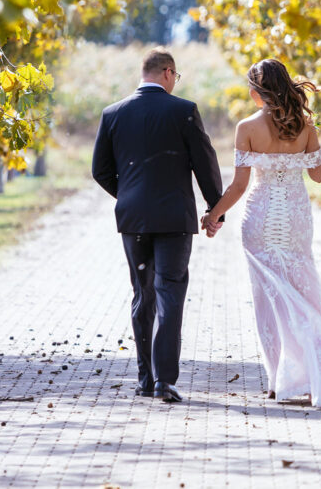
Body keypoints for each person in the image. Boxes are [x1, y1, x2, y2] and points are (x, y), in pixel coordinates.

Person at [201, 59, 321, 407]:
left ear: (256, 92)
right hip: (296, 220)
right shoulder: (306, 125)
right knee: (304, 295)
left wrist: (213, 215)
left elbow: (239, 186)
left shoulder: (246, 127)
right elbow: (318, 176)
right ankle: (309, 375)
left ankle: (278, 380)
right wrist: (307, 142)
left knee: (269, 299)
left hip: (260, 219)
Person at [92, 47, 224, 402]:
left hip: (133, 218)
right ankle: (165, 380)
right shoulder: (183, 111)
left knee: (142, 294)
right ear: (167, 72)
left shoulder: (113, 113)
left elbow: (100, 170)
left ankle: (144, 379)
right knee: (170, 293)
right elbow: (205, 163)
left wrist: (128, 194)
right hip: (174, 218)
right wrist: (215, 209)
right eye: (175, 76)